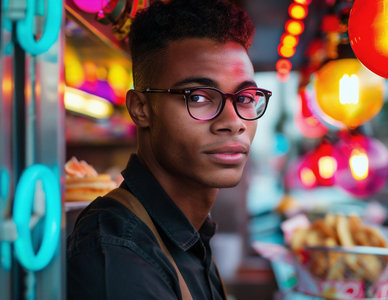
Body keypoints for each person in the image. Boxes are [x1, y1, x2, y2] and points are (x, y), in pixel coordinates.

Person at [66, 0, 272, 299]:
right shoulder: (118, 254)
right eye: (199, 97)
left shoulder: (190, 234)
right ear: (141, 108)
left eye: (245, 97)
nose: (234, 122)